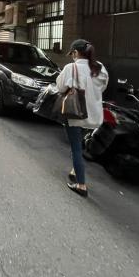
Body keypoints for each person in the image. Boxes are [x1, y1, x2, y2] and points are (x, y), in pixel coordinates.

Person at [56, 39, 108, 197]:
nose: (72, 56)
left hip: (75, 114)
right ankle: (75, 170)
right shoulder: (100, 68)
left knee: (76, 148)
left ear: (76, 52)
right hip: (94, 115)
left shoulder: (71, 68)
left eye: (72, 53)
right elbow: (103, 87)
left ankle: (81, 185)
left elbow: (60, 88)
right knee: (82, 144)